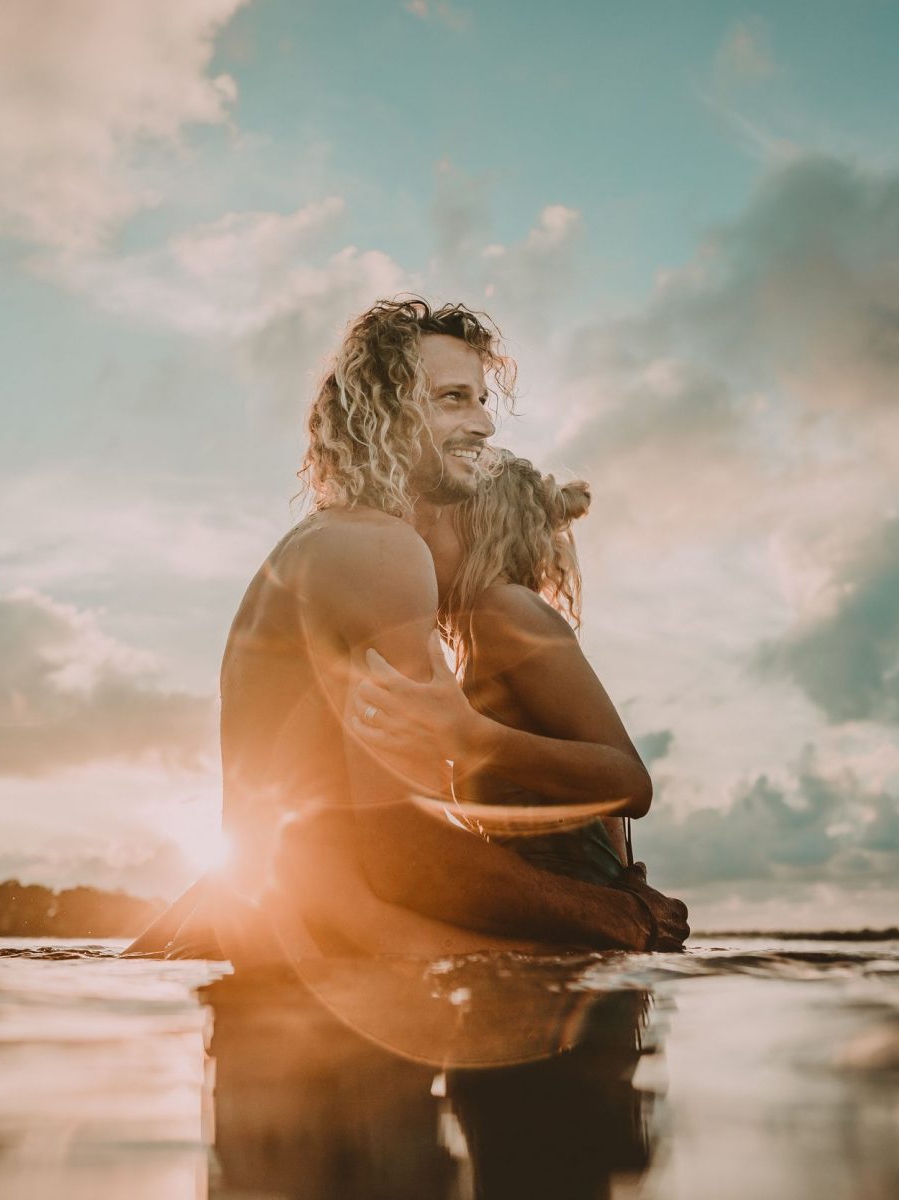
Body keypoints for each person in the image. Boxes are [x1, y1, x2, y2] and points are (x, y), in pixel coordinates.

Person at [126, 298, 687, 960]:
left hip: (285, 985)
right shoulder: (385, 553)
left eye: (482, 401)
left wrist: (146, 954)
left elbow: (280, 851)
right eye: (454, 398)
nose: (482, 423)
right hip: (330, 1018)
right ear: (388, 412)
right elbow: (412, 857)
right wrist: (621, 917)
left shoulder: (320, 548)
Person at [352, 449, 648, 890]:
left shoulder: (503, 609)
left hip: (574, 935)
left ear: (480, 525)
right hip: (555, 923)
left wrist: (466, 738)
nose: (412, 537)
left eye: (429, 521)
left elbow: (630, 783)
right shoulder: (475, 636)